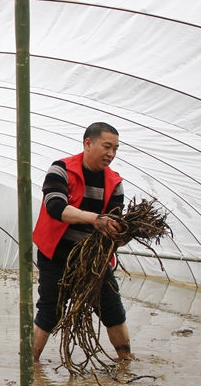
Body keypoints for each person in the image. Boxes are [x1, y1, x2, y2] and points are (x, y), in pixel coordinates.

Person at [32, 122, 133, 362]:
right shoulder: (62, 169)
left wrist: (120, 233)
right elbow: (55, 207)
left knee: (112, 310)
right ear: (88, 143)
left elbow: (113, 223)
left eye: (116, 149)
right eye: (107, 146)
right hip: (56, 255)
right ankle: (29, 363)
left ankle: (126, 361)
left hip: (94, 260)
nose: (111, 154)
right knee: (50, 311)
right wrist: (95, 219)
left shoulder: (115, 182)